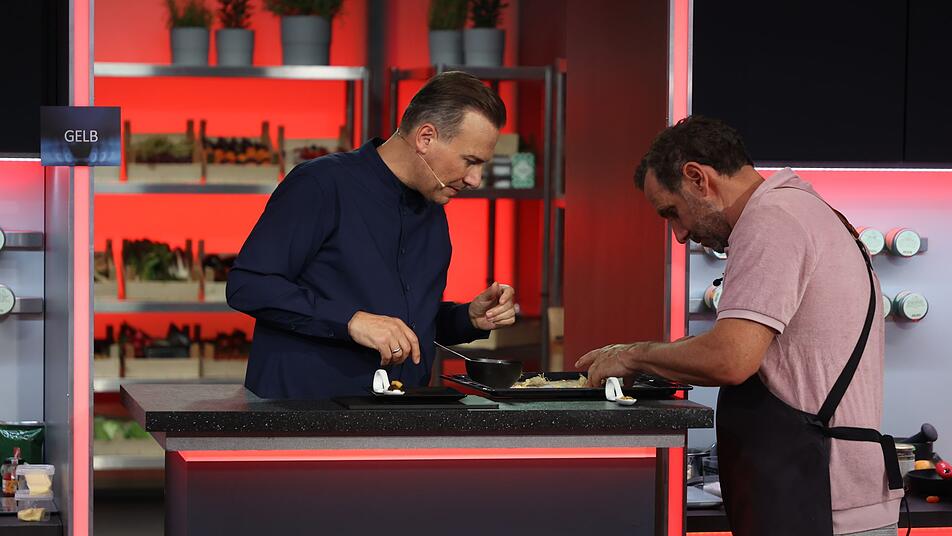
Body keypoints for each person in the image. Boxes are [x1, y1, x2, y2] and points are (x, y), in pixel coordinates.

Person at [575, 116, 903, 536]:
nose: (679, 234)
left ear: (697, 178)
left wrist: (633, 356)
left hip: (822, 501)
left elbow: (731, 358)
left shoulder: (771, 220)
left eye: (672, 212)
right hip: (822, 497)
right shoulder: (804, 210)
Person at [227, 71, 517, 399]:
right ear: (425, 138)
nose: (475, 179)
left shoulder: (432, 205)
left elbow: (407, 321)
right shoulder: (321, 184)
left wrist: (467, 318)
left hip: (397, 413)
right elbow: (249, 284)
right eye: (470, 161)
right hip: (304, 411)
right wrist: (351, 321)